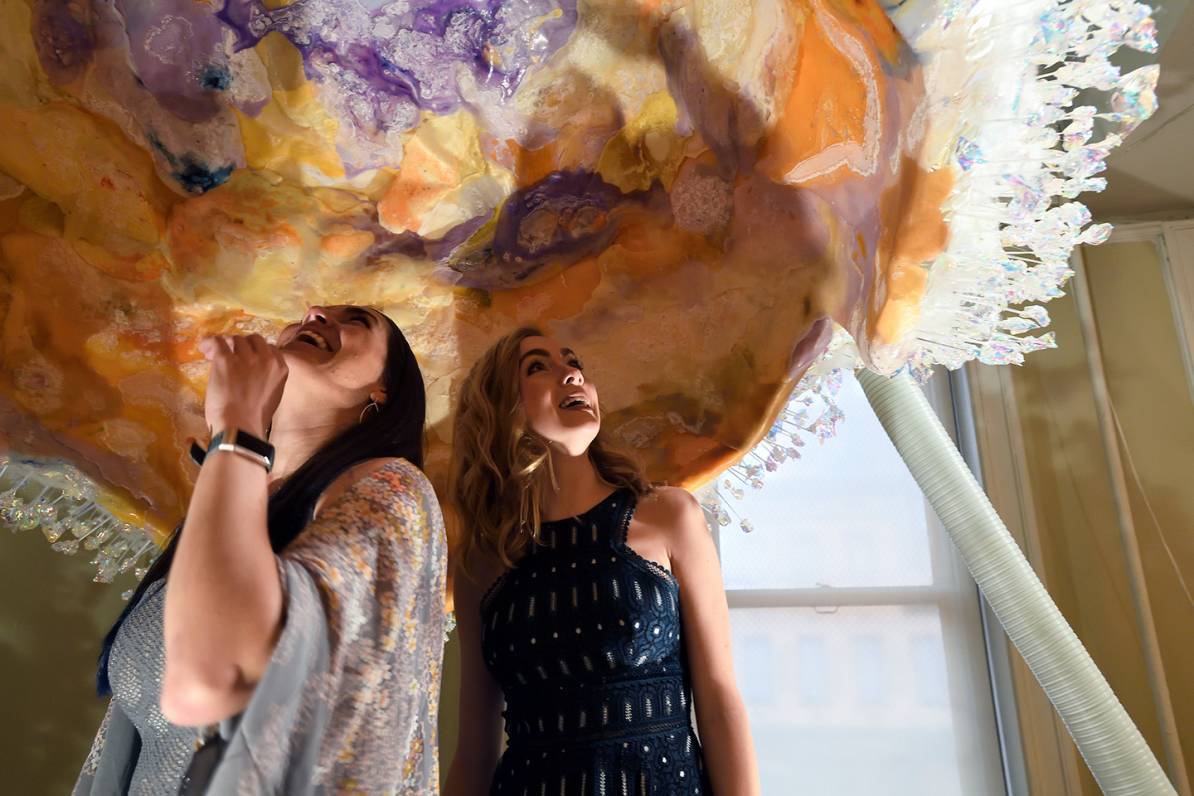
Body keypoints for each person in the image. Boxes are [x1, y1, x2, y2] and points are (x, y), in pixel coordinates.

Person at [74, 305, 448, 795]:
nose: (313, 312)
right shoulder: (236, 499)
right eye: (308, 311)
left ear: (385, 389)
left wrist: (237, 429)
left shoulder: (395, 489)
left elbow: (212, 680)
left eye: (355, 319)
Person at [445, 327, 760, 795]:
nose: (571, 374)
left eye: (573, 363)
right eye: (537, 367)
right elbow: (474, 747)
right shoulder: (482, 560)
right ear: (499, 407)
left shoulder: (670, 515)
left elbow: (718, 699)